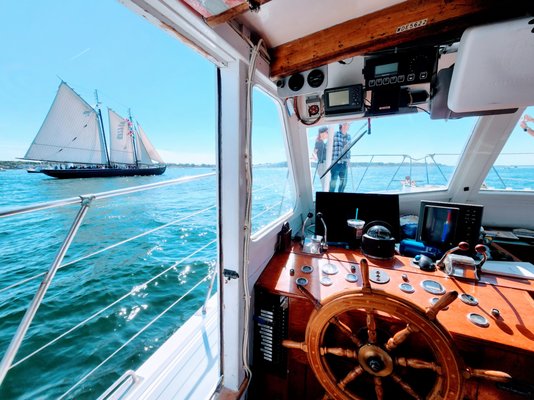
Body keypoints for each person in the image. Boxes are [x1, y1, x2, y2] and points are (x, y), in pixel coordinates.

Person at [329, 122, 351, 192]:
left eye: (348, 125)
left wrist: (348, 160)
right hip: (335, 163)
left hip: (344, 164)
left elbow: (349, 149)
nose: (347, 126)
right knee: (333, 184)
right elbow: (328, 146)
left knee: (343, 183)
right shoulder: (335, 134)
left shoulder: (349, 136)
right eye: (345, 124)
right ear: (341, 125)